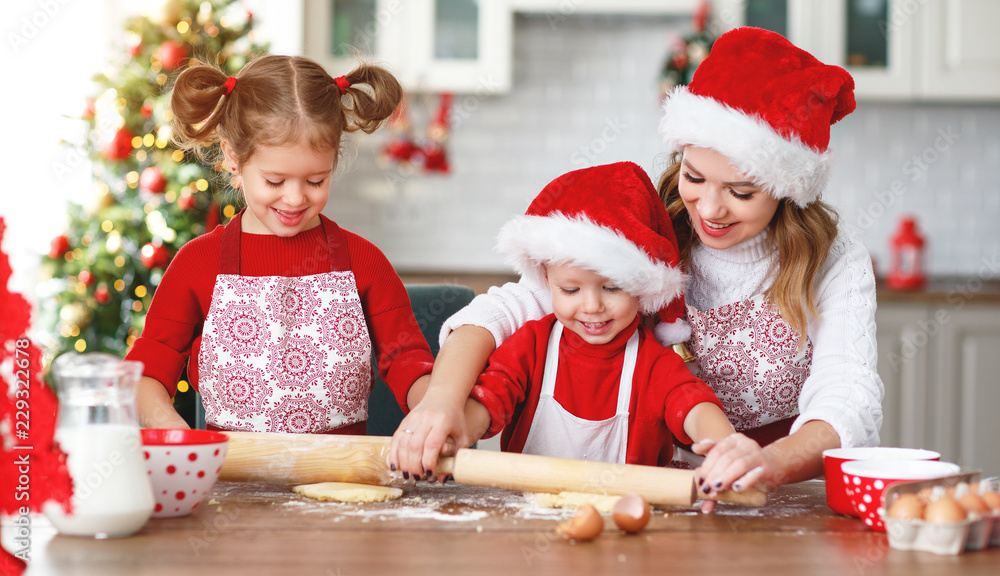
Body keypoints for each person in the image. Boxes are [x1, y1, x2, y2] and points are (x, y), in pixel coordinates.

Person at [389, 27, 883, 511]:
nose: (709, 209)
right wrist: (442, 402)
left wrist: (766, 463)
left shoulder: (834, 262)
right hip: (649, 499)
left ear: (787, 187)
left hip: (775, 495)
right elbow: (511, 307)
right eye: (694, 177)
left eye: (741, 192)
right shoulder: (645, 228)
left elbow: (848, 394)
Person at [129, 55, 435, 435]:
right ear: (233, 158)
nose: (294, 199)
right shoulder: (197, 263)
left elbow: (408, 359)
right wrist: (174, 432)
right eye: (275, 181)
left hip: (341, 485)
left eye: (315, 181)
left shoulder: (364, 261)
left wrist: (434, 412)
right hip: (231, 486)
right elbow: (146, 376)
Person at [459, 162, 736, 465]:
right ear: (547, 282)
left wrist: (725, 447)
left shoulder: (653, 364)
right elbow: (489, 400)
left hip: (624, 509)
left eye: (612, 289)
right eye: (571, 290)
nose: (592, 307)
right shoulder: (532, 346)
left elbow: (692, 405)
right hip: (529, 507)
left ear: (641, 287)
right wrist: (455, 433)